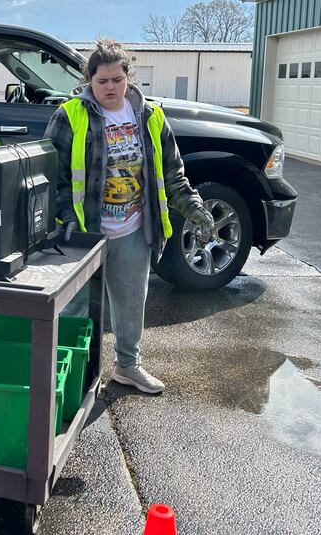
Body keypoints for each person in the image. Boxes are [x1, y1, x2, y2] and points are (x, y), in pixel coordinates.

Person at [44, 38, 214, 393]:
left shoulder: (150, 116)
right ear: (89, 79)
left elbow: (172, 173)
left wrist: (193, 206)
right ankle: (68, 379)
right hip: (84, 234)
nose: (110, 87)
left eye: (117, 80)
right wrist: (64, 217)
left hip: (134, 229)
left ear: (128, 78)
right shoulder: (70, 114)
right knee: (74, 310)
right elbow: (52, 174)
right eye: (102, 81)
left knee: (131, 304)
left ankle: (127, 366)